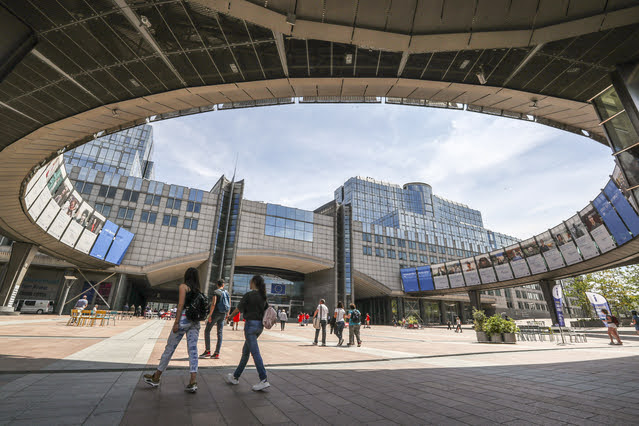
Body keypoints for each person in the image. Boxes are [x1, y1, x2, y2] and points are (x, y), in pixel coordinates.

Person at [144, 267, 202, 393]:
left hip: (184, 320)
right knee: (193, 350)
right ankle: (193, 381)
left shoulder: (184, 287)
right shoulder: (198, 290)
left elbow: (180, 305)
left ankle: (157, 377)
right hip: (195, 322)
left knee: (170, 348)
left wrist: (176, 322)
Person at [225, 275, 270, 391]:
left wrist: (230, 317)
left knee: (255, 353)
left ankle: (263, 379)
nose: (249, 283)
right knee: (246, 352)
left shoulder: (249, 295)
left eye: (250, 281)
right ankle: (235, 376)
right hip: (259, 327)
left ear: (254, 282)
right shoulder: (263, 296)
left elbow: (238, 309)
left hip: (250, 326)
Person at [200, 279, 230, 359]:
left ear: (217, 285)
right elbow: (229, 304)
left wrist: (210, 315)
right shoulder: (227, 292)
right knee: (219, 333)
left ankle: (207, 351)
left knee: (207, 330)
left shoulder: (216, 292)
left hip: (215, 313)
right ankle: (217, 353)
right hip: (223, 314)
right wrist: (228, 314)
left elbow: (213, 304)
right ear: (223, 285)